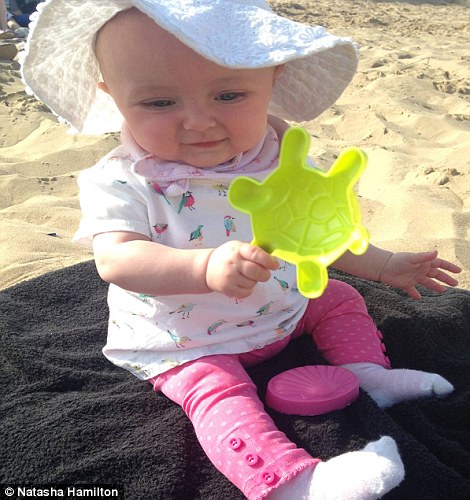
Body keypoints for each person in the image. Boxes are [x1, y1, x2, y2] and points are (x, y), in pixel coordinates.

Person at [21, 1, 461, 499]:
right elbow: (117, 259)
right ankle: (290, 481)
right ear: (114, 98)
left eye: (228, 94)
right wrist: (204, 265)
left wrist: (383, 264)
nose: (198, 122)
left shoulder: (279, 158)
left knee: (340, 299)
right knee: (219, 393)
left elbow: (316, 233)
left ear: (272, 82)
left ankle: (367, 377)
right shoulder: (122, 178)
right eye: (159, 104)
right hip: (185, 339)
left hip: (283, 312)